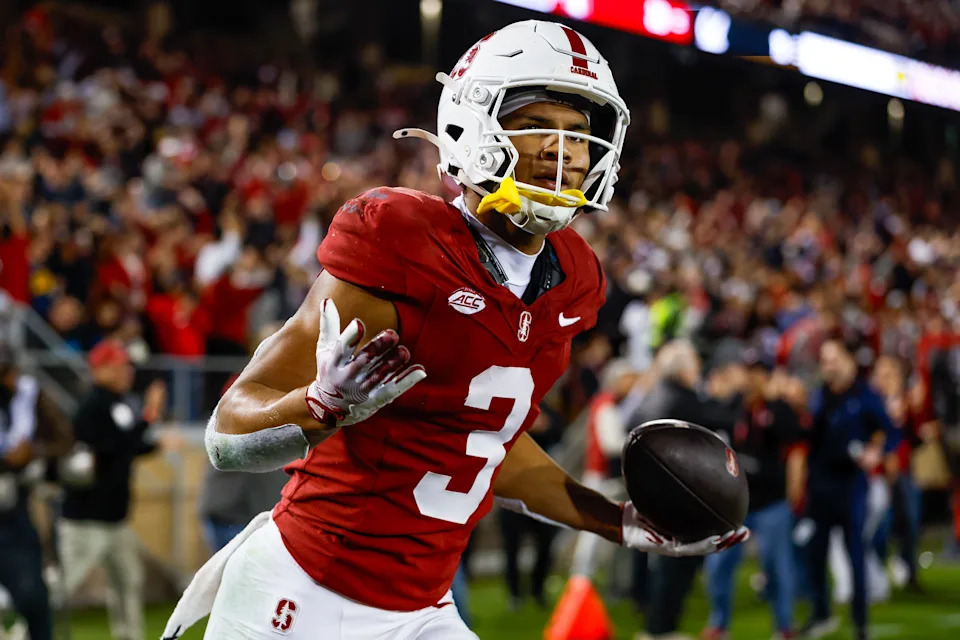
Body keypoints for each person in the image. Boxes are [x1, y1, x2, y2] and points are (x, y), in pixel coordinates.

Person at [163, 21, 747, 640]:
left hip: (422, 609)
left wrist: (622, 522)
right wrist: (320, 405)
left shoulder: (572, 280)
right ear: (474, 129)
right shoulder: (400, 240)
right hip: (302, 591)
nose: (567, 148)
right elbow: (226, 434)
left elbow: (488, 443)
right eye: (539, 124)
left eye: (579, 132)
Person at [59, 339, 178, 640]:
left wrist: (149, 432)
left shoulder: (119, 402)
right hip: (86, 519)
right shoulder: (90, 406)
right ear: (101, 368)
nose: (127, 371)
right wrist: (149, 420)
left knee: (128, 582)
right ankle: (26, 631)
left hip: (115, 518)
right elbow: (116, 447)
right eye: (119, 365)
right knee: (62, 587)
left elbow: (129, 443)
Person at [629, 339, 746, 640]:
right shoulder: (681, 398)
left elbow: (628, 424)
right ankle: (660, 628)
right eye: (693, 363)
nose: (698, 369)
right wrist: (732, 395)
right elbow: (721, 419)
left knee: (661, 563)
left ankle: (656, 623)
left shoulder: (656, 395)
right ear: (681, 370)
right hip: (675, 499)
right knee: (675, 564)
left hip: (653, 494)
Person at [800, 337, 899, 640]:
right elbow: (809, 438)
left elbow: (892, 431)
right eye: (824, 360)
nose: (827, 366)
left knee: (854, 552)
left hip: (850, 485)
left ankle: (860, 620)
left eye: (833, 359)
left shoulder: (865, 394)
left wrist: (876, 452)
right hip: (820, 483)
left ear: (848, 361)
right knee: (815, 551)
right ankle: (820, 612)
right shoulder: (820, 395)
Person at [702, 356, 806, 640]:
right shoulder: (733, 406)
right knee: (720, 564)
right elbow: (707, 421)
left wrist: (794, 491)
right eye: (749, 373)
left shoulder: (778, 408)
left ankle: (784, 626)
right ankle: (719, 623)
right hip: (736, 501)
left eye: (759, 374)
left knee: (776, 566)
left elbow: (795, 442)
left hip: (771, 501)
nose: (753, 379)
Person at [0, 344, 73, 640]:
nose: (6, 380)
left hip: (13, 507)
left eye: (7, 372)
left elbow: (64, 438)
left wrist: (34, 453)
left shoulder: (32, 395)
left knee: (33, 596)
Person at [499, 404, 564, 609]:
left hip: (541, 490)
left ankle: (538, 589)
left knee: (545, 541)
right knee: (512, 544)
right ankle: (515, 592)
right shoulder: (509, 405)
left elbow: (559, 432)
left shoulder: (544, 408)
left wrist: (545, 426)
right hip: (511, 488)